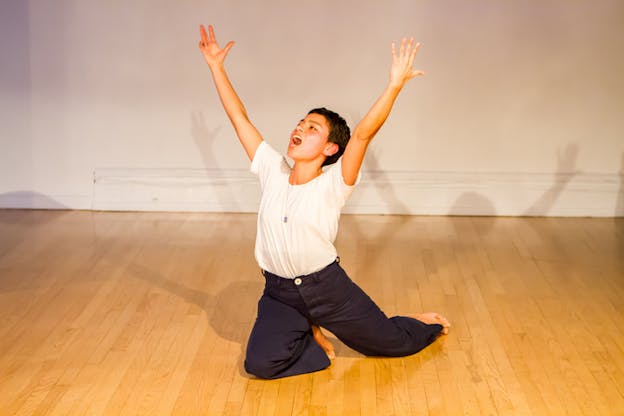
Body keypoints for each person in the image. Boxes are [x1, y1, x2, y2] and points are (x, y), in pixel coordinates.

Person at [198, 24, 450, 379]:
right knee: (259, 365)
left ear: (331, 148)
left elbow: (363, 134)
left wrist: (394, 85)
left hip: (328, 290)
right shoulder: (272, 168)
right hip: (279, 292)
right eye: (300, 123)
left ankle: (416, 323)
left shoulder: (335, 182)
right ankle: (309, 337)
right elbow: (239, 118)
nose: (299, 128)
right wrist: (216, 67)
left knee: (392, 344)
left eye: (312, 128)